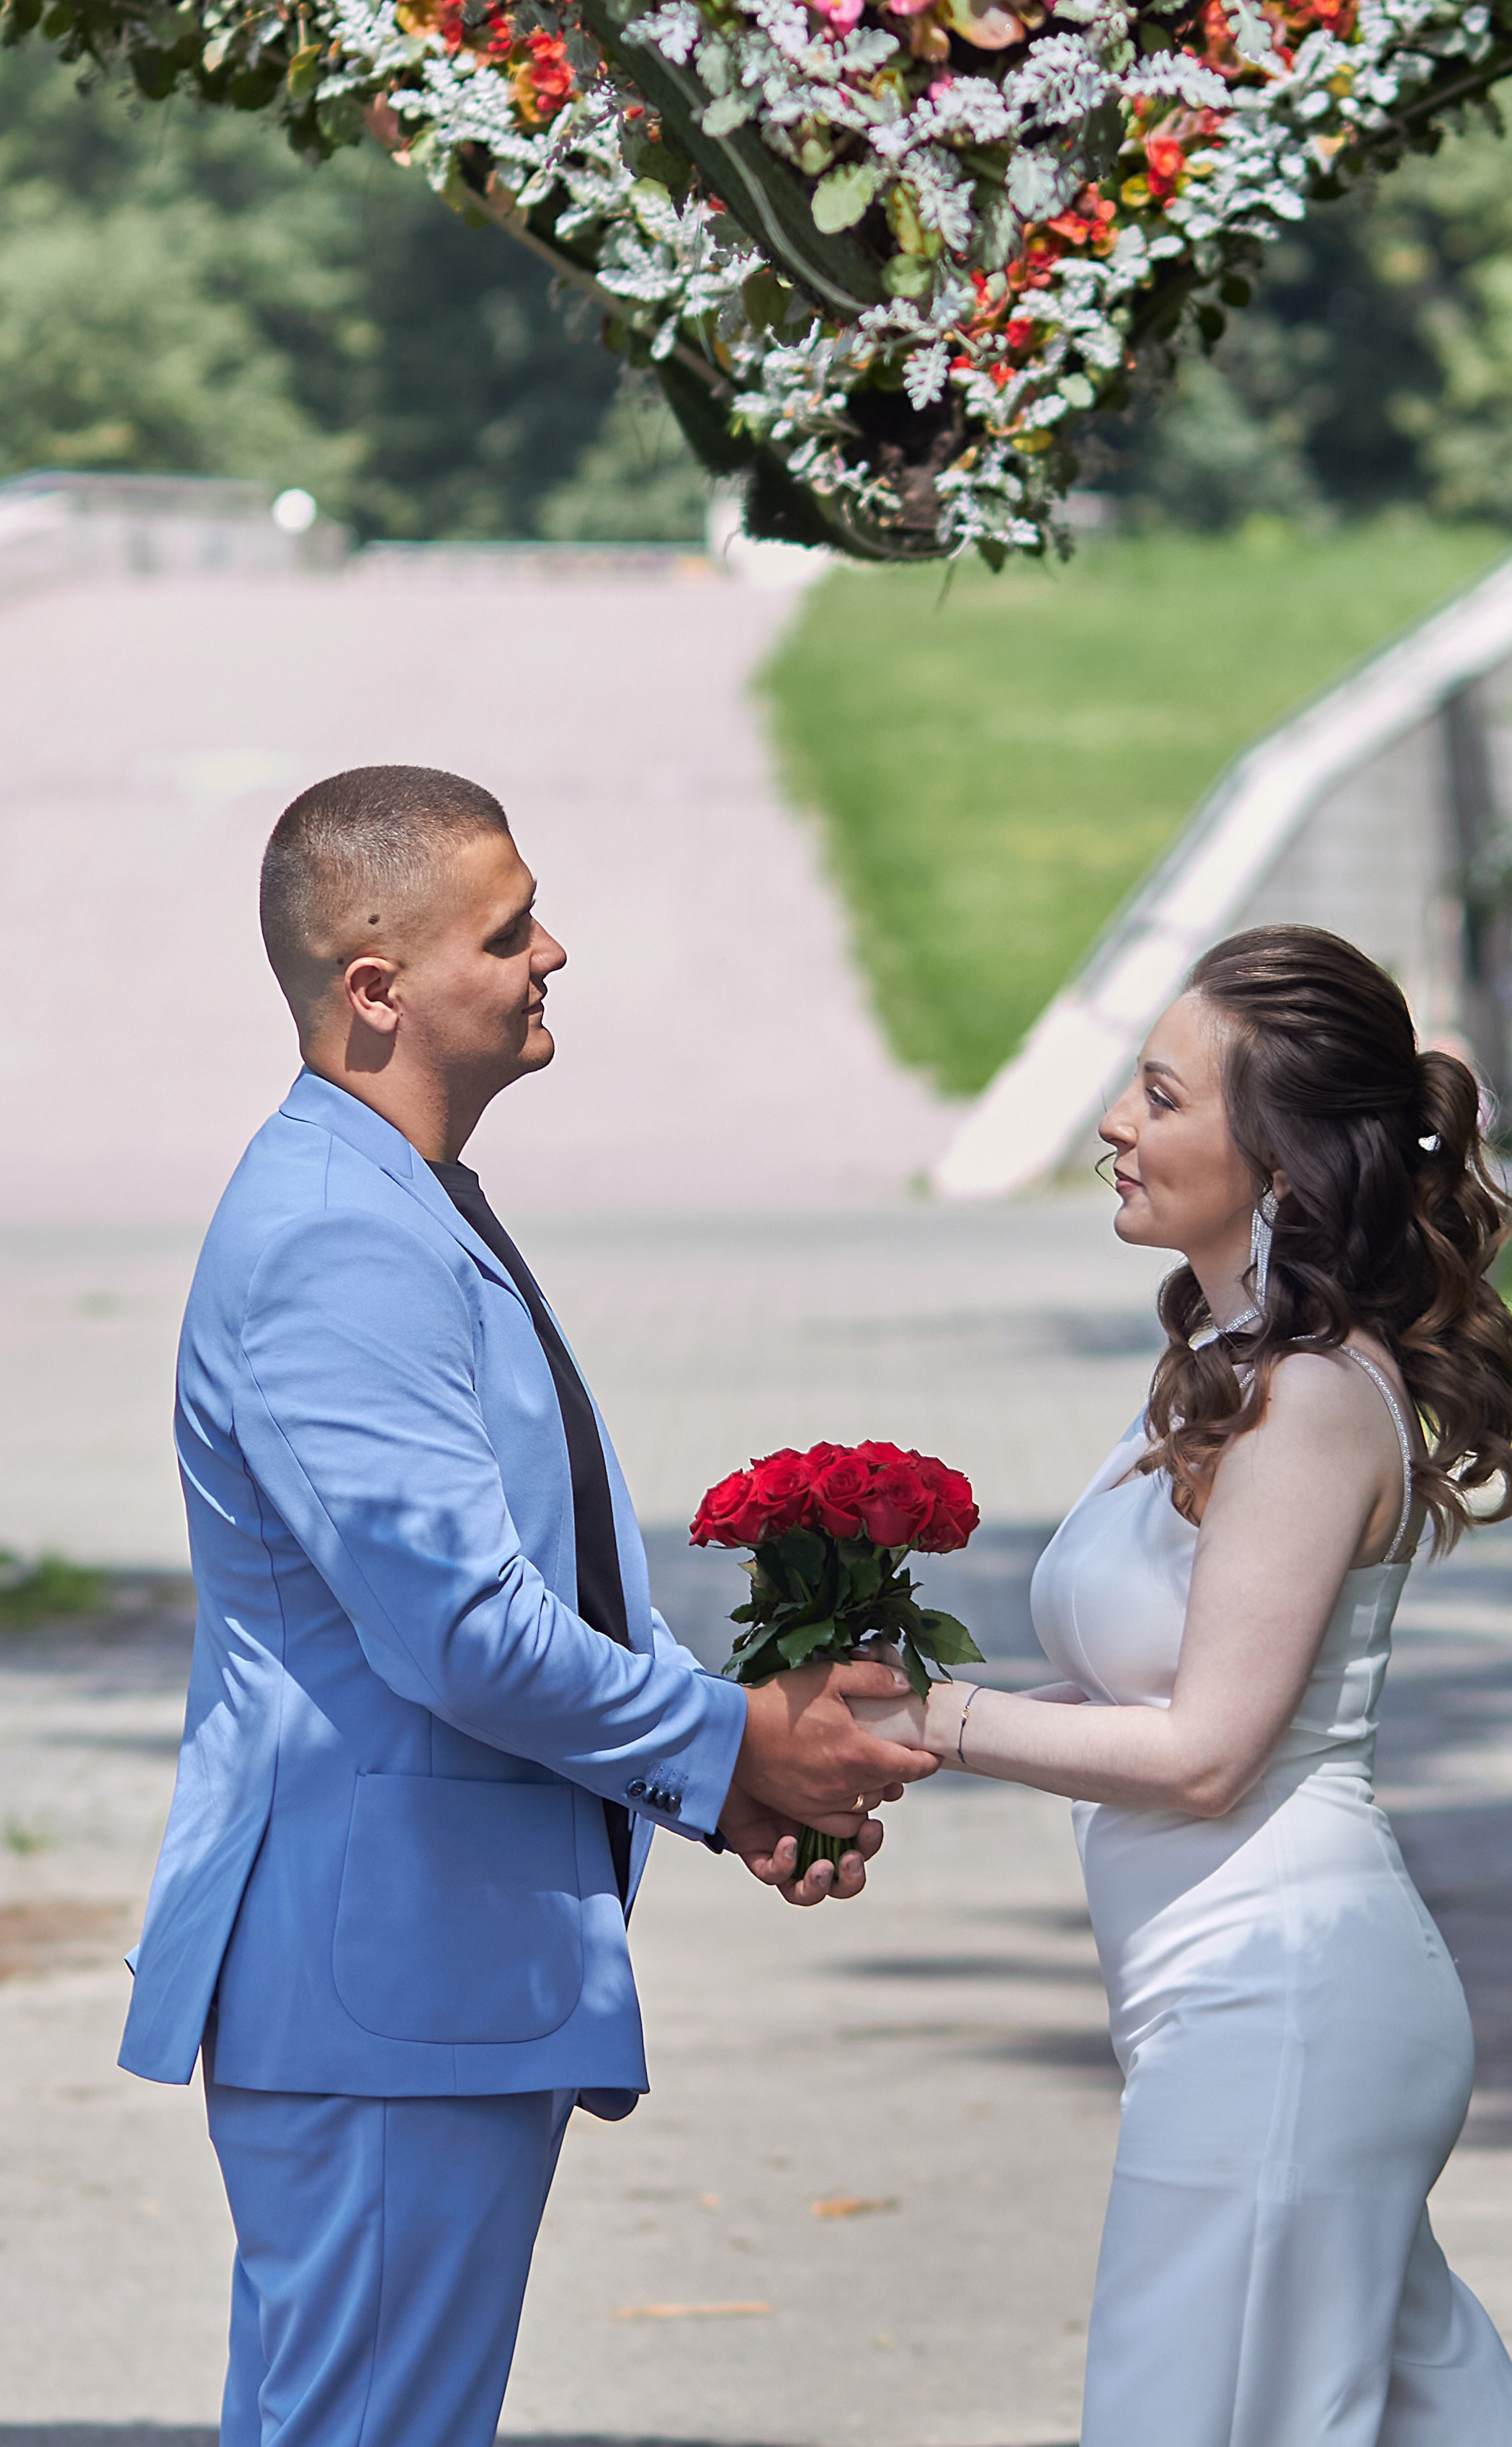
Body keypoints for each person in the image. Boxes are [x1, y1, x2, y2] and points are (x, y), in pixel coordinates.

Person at [118, 765, 934, 2447]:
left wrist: (728, 1790)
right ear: (376, 988)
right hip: (383, 1986)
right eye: (507, 930)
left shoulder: (395, 1199)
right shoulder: (339, 1234)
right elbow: (464, 1634)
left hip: (426, 1981)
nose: (553, 952)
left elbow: (519, 1588)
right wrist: (733, 1750)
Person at [855, 925, 1512, 2446]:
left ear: (1280, 1158)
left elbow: (1212, 1753)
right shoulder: (1232, 1357)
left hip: (1282, 2003)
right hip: (1239, 2010)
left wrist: (927, 1722)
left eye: (1160, 1097)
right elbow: (1135, 1682)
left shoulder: (1306, 1401)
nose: (1115, 1123)